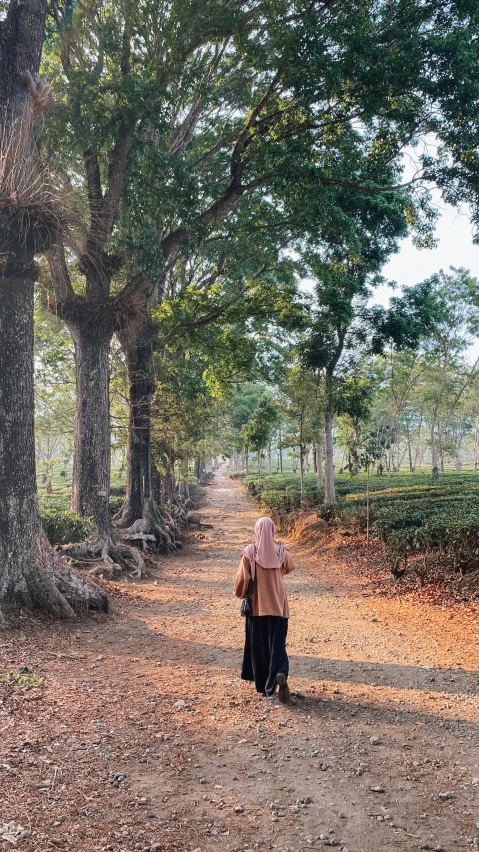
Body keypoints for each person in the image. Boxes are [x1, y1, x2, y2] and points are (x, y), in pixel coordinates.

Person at [234, 516, 294, 702]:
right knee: (277, 646)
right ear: (273, 530)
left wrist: (241, 593)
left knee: (259, 648)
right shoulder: (282, 552)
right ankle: (280, 673)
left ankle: (263, 687)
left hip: (257, 609)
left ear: (257, 531)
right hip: (279, 607)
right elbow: (289, 567)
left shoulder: (249, 552)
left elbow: (241, 582)